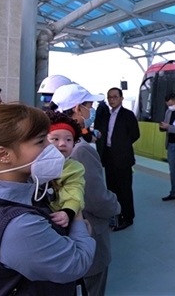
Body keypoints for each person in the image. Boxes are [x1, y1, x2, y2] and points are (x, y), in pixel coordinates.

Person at [0, 103, 95, 295]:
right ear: (4, 155)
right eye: (41, 141)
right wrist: (78, 222)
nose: (52, 148)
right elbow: (75, 263)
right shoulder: (18, 225)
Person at [51, 83, 121, 296]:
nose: (91, 111)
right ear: (77, 109)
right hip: (89, 232)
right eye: (88, 106)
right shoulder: (81, 150)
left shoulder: (53, 144)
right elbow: (97, 199)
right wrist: (116, 205)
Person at [98, 87, 140, 231]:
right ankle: (115, 215)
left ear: (121, 98)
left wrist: (122, 145)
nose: (112, 100)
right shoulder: (106, 115)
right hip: (109, 156)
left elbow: (135, 134)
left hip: (123, 158)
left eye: (115, 97)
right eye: (110, 97)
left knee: (125, 190)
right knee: (111, 188)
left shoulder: (128, 115)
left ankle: (128, 218)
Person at [45, 111, 86, 228]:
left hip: (60, 218)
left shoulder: (73, 168)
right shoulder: (31, 163)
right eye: (55, 139)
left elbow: (75, 190)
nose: (62, 144)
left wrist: (68, 212)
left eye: (69, 140)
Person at [93, 93, 110, 159]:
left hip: (100, 129)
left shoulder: (100, 107)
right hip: (105, 129)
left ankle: (100, 159)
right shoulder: (106, 106)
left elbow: (98, 119)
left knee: (100, 146)